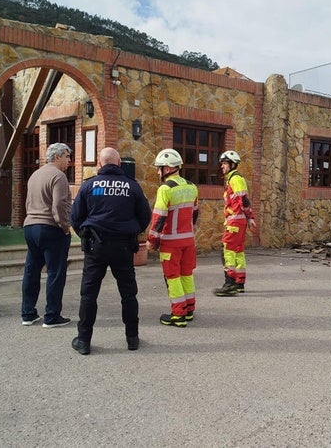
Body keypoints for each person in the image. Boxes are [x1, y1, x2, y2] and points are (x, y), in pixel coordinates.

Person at [70, 147, 152, 355]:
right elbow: (145, 215)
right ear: (118, 164)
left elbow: (75, 217)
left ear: (99, 164)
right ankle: (132, 338)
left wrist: (85, 234)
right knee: (128, 294)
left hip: (95, 246)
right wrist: (134, 231)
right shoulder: (131, 186)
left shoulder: (89, 185)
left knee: (89, 295)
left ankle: (84, 340)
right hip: (124, 246)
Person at [21, 143, 74, 328]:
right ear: (57, 157)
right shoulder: (58, 176)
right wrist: (66, 227)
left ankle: (28, 313)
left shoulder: (35, 174)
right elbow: (59, 205)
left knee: (31, 271)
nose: (69, 160)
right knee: (56, 273)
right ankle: (52, 316)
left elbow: (28, 202)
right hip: (51, 228)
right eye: (67, 156)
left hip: (30, 227)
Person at [147, 148, 199, 328]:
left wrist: (152, 240)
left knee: (172, 276)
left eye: (159, 167)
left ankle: (178, 314)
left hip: (171, 242)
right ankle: (189, 309)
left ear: (168, 169)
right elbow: (195, 215)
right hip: (188, 240)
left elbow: (159, 217)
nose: (157, 171)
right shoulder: (192, 186)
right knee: (186, 275)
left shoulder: (165, 189)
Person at [213, 150, 256, 297]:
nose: (222, 167)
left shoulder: (235, 179)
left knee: (227, 251)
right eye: (222, 164)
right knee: (237, 251)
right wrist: (249, 218)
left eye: (224, 164)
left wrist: (250, 216)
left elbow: (243, 199)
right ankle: (239, 283)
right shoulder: (233, 179)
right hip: (238, 221)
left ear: (232, 164)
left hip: (235, 222)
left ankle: (230, 283)